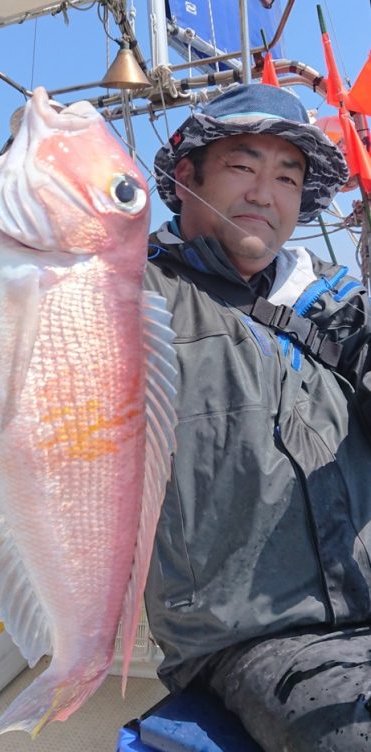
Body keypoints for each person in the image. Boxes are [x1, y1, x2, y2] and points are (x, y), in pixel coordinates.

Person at [143, 82, 371, 752]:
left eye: (286, 177)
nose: (264, 195)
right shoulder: (130, 298)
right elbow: (6, 372)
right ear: (186, 178)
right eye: (243, 166)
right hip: (249, 638)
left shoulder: (334, 297)